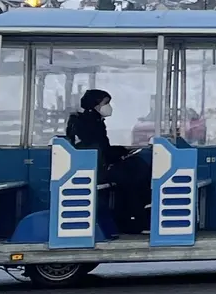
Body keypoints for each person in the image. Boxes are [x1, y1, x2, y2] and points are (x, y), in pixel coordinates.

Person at [63, 88, 153, 234]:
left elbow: (103, 147)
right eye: (106, 103)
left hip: (100, 164)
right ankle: (133, 219)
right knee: (133, 176)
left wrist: (122, 151)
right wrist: (121, 152)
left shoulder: (94, 121)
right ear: (95, 104)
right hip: (95, 167)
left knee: (136, 169)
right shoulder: (86, 123)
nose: (108, 107)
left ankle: (137, 215)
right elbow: (96, 148)